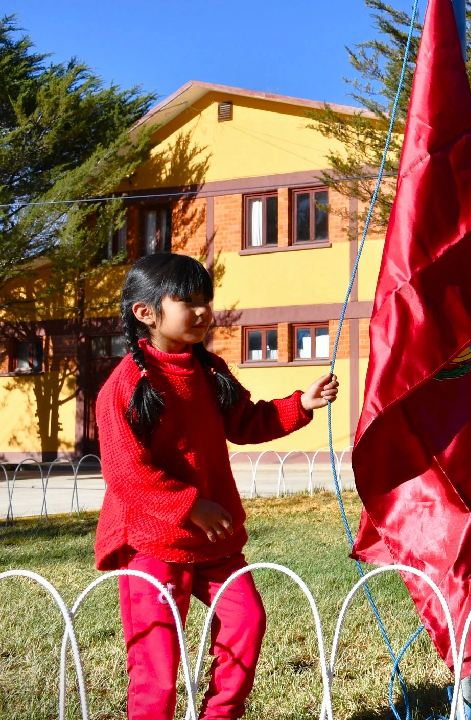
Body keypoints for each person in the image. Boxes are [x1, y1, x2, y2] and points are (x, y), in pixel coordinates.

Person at [94, 253, 339, 720]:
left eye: (206, 299)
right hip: (152, 542)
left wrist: (300, 404)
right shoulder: (124, 386)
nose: (203, 311)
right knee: (158, 667)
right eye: (187, 300)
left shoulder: (211, 370)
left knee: (246, 621)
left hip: (213, 542)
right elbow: (128, 475)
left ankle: (220, 715)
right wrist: (191, 506)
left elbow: (246, 420)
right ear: (145, 313)